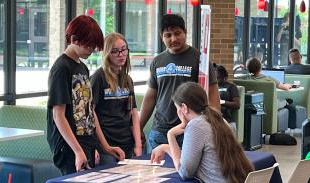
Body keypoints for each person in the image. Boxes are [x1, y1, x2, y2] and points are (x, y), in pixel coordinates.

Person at [47, 15, 124, 175]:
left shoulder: (82, 67)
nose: (92, 50)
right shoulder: (61, 68)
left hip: (85, 143)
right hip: (69, 146)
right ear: (74, 39)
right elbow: (58, 115)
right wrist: (77, 151)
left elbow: (90, 111)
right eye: (89, 45)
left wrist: (104, 146)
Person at [139, 14, 220, 150]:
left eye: (177, 33)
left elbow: (212, 95)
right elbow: (151, 97)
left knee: (187, 171)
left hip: (189, 130)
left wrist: (215, 126)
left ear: (185, 32)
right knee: (158, 171)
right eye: (168, 35)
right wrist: (139, 127)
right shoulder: (158, 61)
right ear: (161, 36)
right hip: (160, 131)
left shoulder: (200, 60)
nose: (173, 39)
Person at [151, 82, 254, 182]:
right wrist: (166, 147)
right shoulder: (220, 120)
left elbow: (185, 172)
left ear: (184, 108)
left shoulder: (196, 126)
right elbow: (191, 160)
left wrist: (171, 135)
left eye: (177, 108)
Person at [90, 32, 142, 164]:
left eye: (124, 49)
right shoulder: (98, 78)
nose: (121, 54)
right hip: (106, 145)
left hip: (126, 141)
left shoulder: (127, 79)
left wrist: (138, 144)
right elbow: (91, 114)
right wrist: (96, 146)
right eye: (115, 51)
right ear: (107, 54)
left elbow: (133, 113)